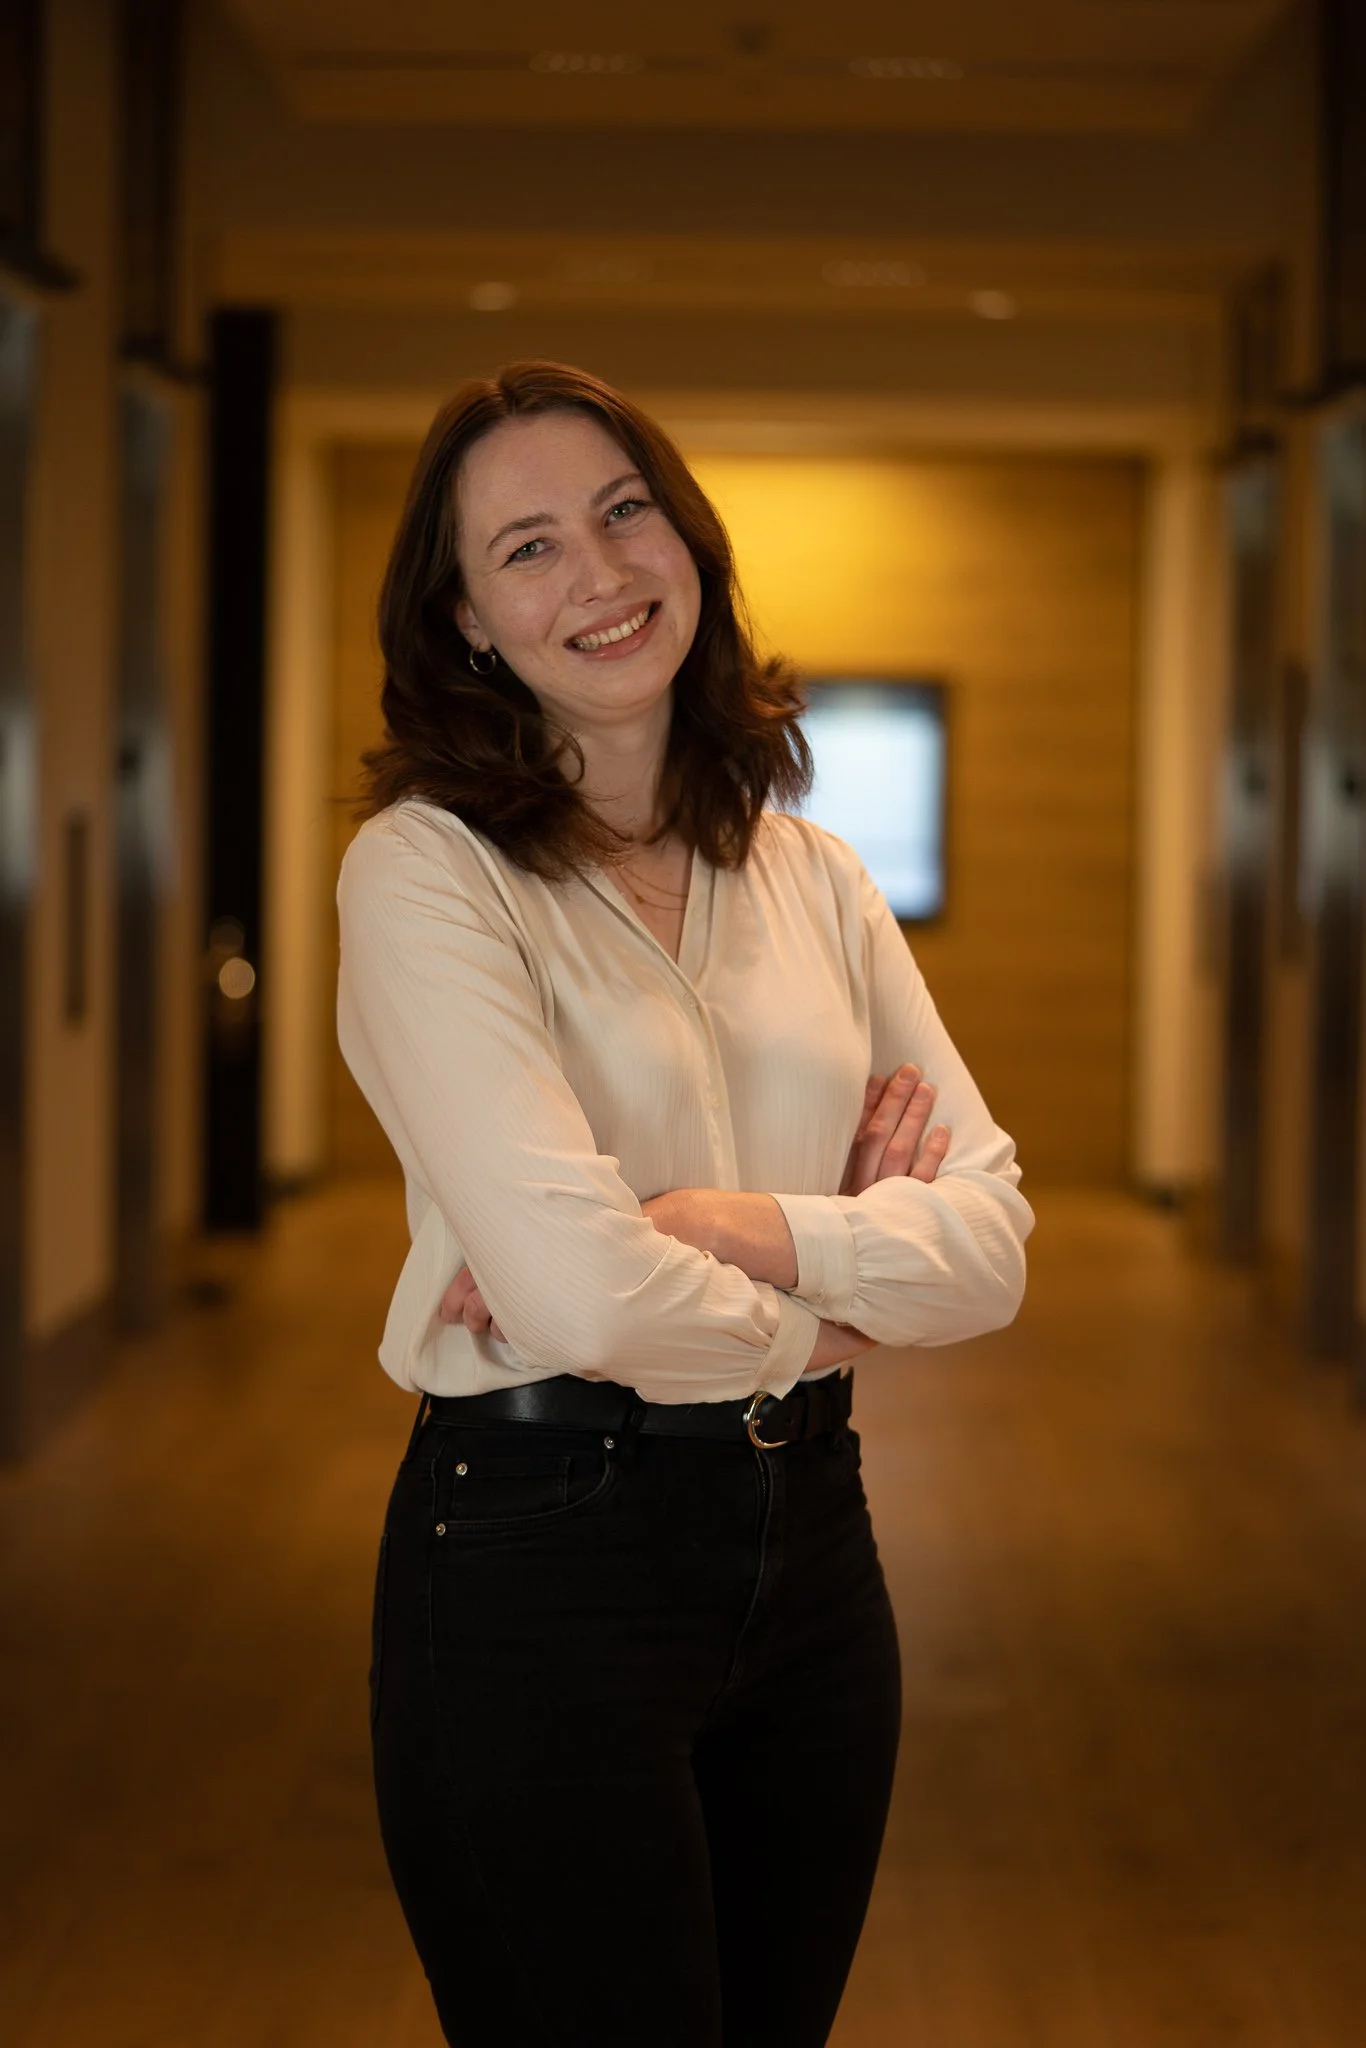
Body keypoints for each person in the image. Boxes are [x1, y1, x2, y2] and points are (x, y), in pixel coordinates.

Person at [337, 359, 1033, 2048]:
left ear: (689, 540)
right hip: (532, 1551)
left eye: (624, 509)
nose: (598, 572)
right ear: (467, 622)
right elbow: (573, 1299)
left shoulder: (814, 875)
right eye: (526, 548)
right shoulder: (429, 872)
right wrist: (852, 1296)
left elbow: (995, 1238)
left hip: (812, 1557)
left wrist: (731, 1227)